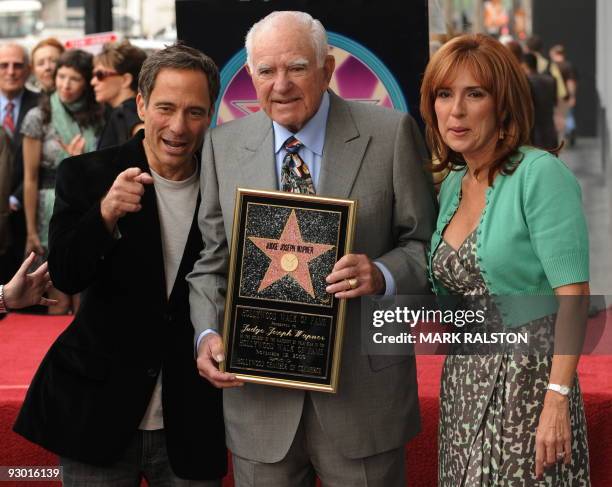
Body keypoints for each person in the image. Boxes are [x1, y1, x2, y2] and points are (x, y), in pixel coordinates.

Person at [188, 10, 436, 487]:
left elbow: (424, 245)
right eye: (266, 70)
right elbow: (211, 263)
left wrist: (380, 274)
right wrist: (205, 334)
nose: (280, 84)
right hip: (258, 399)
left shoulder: (390, 133)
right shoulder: (222, 145)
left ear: (327, 70)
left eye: (297, 67)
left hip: (363, 397)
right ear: (250, 76)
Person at [14, 44, 227, 486]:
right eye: (165, 108)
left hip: (191, 418)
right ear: (142, 105)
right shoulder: (87, 174)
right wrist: (105, 215)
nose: (178, 126)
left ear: (211, 114)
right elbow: (68, 275)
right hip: (98, 412)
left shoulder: (228, 185)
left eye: (195, 111)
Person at [420, 34, 590, 485]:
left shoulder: (540, 175)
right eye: (444, 94)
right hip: (463, 385)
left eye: (474, 94)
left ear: (503, 105)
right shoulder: (454, 183)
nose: (455, 110)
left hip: (528, 389)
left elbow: (573, 297)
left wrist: (557, 398)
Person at [21, 49, 103, 315]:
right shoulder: (39, 117)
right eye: (62, 76)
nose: (66, 85)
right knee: (58, 298)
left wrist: (80, 162)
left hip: (89, 205)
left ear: (87, 82)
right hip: (50, 209)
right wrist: (32, 230)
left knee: (86, 296)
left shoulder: (99, 116)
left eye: (74, 79)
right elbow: (30, 178)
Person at [0, 43, 39, 284]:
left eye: (17, 65)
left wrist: (14, 197)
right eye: (4, 65)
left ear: (28, 70)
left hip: (27, 215)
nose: (11, 72)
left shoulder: (43, 104)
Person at [92, 40, 147, 149]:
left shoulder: (125, 112)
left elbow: (144, 135)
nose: (93, 82)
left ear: (126, 80)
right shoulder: (122, 111)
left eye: (100, 74)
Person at [522, 52, 558, 149]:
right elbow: (555, 102)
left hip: (533, 136)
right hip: (550, 133)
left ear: (524, 65)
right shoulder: (551, 80)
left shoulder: (525, 82)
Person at [550, 44, 578, 145]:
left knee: (558, 118)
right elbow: (571, 82)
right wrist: (572, 96)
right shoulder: (568, 66)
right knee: (568, 116)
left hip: (554, 97)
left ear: (555, 54)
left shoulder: (552, 67)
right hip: (565, 97)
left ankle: (563, 136)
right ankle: (570, 130)